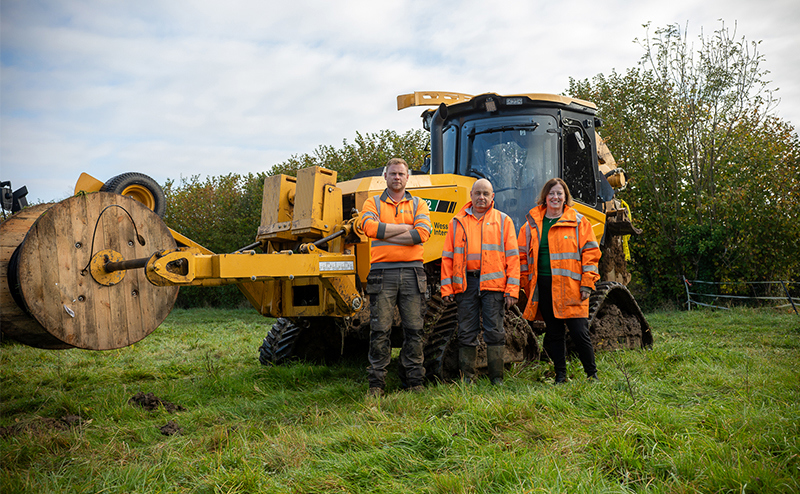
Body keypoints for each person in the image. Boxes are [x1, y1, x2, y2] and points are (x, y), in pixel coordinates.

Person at [359, 158, 432, 397]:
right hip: (382, 273)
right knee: (380, 330)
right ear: (385, 176)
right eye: (393, 174)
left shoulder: (420, 203)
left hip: (413, 272)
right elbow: (369, 228)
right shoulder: (372, 202)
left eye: (401, 174)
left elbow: (422, 233)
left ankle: (413, 381)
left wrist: (386, 231)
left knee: (414, 329)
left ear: (407, 177)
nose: (397, 178)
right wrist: (406, 229)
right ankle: (376, 384)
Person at [517, 178, 601, 384]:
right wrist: (526, 285)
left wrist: (587, 284)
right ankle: (560, 376)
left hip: (572, 288)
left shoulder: (579, 222)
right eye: (551, 193)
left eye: (559, 193)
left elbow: (591, 255)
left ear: (565, 197)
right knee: (553, 333)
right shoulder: (531, 225)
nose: (555, 197)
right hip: (544, 287)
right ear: (545, 197)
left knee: (579, 332)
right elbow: (521, 257)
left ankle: (592, 375)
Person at [441, 179, 520, 385]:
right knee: (466, 331)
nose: (481, 197)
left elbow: (513, 258)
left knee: (495, 331)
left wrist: (512, 289)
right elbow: (447, 258)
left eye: (486, 193)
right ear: (471, 195)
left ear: (493, 197)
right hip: (466, 285)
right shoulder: (457, 222)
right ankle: (466, 379)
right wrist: (447, 287)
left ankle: (497, 379)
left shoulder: (503, 221)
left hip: (494, 287)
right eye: (478, 193)